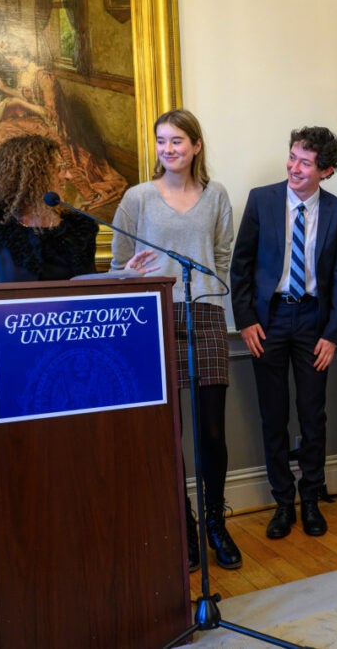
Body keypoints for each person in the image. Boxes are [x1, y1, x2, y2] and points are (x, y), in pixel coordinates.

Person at [110, 109, 240, 572]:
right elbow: (118, 262)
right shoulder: (138, 197)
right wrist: (127, 276)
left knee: (210, 431)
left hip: (204, 313)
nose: (169, 149)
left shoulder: (216, 194)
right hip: (154, 316)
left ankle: (213, 523)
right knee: (170, 434)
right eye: (162, 141)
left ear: (196, 146)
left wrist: (209, 289)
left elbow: (223, 252)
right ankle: (181, 526)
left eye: (178, 141)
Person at [230, 126, 337, 539]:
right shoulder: (261, 200)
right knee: (274, 415)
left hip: (315, 322)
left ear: (326, 170)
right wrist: (246, 319)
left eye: (305, 161)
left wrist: (333, 334)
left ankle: (312, 499)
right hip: (269, 321)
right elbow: (240, 265)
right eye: (292, 157)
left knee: (313, 416)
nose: (294, 166)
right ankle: (283, 503)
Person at [0, 134, 155, 316]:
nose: (68, 175)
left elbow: (86, 287)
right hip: (13, 338)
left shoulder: (79, 227)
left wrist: (122, 277)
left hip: (74, 335)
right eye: (58, 169)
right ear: (32, 176)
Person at [0, 38, 128, 209]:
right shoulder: (21, 74)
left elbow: (50, 113)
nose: (11, 63)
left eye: (12, 59)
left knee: (10, 132)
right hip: (35, 120)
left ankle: (38, 183)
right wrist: (4, 88)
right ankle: (15, 183)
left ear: (21, 54)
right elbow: (23, 96)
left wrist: (21, 104)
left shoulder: (45, 77)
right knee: (2, 130)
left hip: (50, 123)